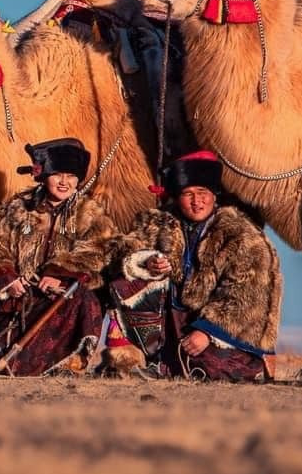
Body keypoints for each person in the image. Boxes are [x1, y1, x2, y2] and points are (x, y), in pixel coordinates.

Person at [108, 150, 280, 381]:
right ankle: (154, 358)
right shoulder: (158, 224)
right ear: (176, 197)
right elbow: (125, 252)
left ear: (214, 196)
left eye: (202, 193)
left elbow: (248, 296)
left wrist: (208, 332)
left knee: (209, 365)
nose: (197, 202)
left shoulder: (242, 236)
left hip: (232, 330)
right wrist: (147, 262)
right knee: (128, 281)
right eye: (188, 194)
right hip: (176, 322)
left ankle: (254, 366)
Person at [0, 137, 119, 375]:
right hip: (25, 299)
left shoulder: (90, 213)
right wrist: (9, 280)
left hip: (67, 297)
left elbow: (99, 249)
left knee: (85, 298)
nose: (64, 182)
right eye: (57, 174)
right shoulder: (17, 209)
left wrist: (60, 273)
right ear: (44, 175)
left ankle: (71, 363)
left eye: (71, 176)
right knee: (4, 361)